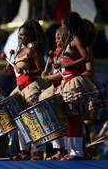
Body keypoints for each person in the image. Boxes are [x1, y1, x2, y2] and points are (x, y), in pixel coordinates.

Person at [58, 12, 98, 160]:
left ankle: (76, 152)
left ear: (69, 25)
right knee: (69, 118)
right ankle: (71, 151)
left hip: (73, 83)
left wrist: (68, 64)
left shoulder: (75, 39)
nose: (61, 27)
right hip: (66, 83)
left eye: (63, 25)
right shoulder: (69, 40)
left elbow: (85, 57)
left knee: (74, 117)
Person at [6, 19, 46, 160]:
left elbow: (40, 69)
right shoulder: (18, 51)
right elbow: (17, 72)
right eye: (19, 34)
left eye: (22, 35)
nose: (20, 37)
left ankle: (38, 150)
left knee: (34, 118)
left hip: (31, 87)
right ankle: (23, 150)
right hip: (19, 89)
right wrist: (11, 69)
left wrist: (29, 72)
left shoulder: (33, 50)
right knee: (20, 120)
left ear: (29, 36)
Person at [40, 28, 65, 160]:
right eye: (55, 38)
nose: (56, 40)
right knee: (49, 117)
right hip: (54, 88)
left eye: (59, 38)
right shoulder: (55, 54)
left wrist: (48, 77)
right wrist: (48, 75)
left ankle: (66, 149)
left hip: (63, 87)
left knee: (62, 119)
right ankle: (58, 150)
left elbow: (62, 75)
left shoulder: (66, 53)